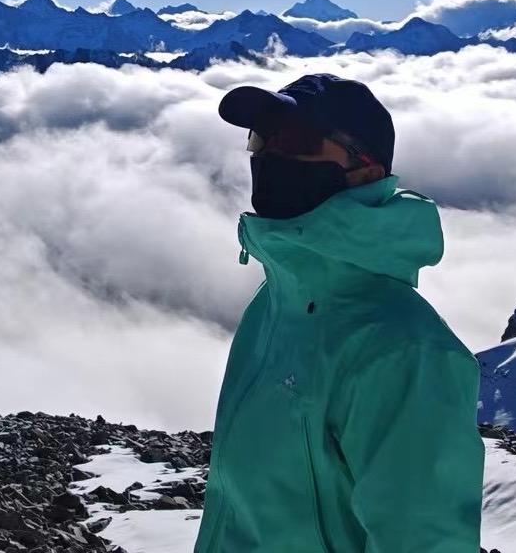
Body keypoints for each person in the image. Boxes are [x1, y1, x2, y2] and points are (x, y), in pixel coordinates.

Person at [193, 72, 484, 553]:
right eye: (261, 140)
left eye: (298, 141)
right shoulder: (273, 305)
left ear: (366, 170)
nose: (270, 157)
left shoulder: (402, 350)